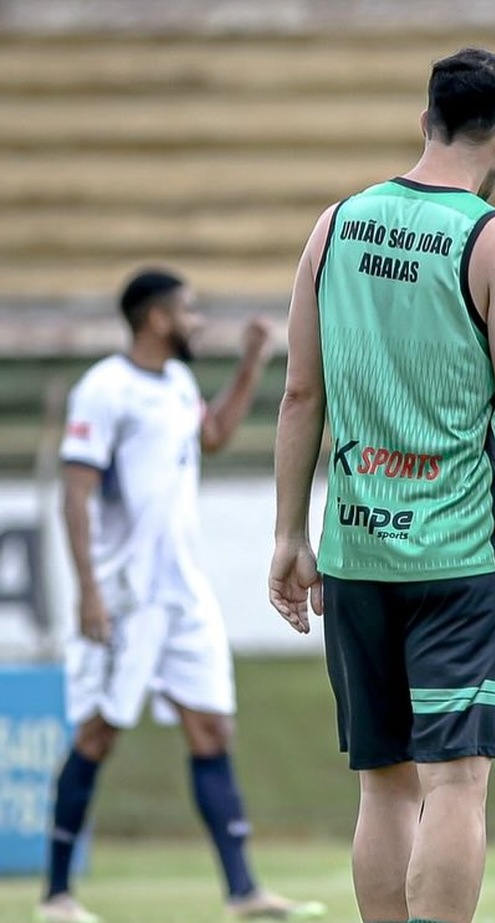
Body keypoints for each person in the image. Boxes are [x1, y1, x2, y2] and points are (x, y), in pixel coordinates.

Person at [268, 48, 495, 923]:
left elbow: (301, 392)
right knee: (456, 782)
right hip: (461, 556)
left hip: (358, 548)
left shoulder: (333, 226)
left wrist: (289, 534)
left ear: (426, 121)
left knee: (383, 786)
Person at [39, 269, 324, 923]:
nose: (196, 322)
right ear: (156, 317)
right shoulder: (105, 389)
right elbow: (75, 492)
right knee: (97, 732)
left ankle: (243, 891)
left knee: (211, 726)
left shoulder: (174, 383)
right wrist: (88, 591)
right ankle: (56, 895)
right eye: (188, 311)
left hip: (181, 590)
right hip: (126, 592)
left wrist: (252, 362)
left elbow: (212, 437)